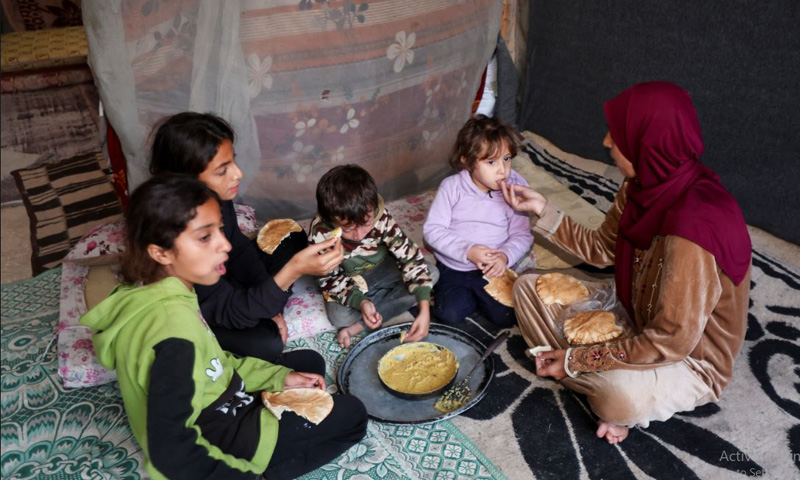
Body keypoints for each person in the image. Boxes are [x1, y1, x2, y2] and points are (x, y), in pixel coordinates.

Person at [500, 81, 752, 444]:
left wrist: (576, 361)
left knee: (615, 398)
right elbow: (602, 248)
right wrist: (542, 208)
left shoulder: (693, 230)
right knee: (526, 288)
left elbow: (670, 341)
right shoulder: (641, 185)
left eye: (617, 136)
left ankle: (595, 382)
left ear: (646, 145)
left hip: (685, 359)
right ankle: (589, 368)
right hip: (633, 312)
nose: (606, 142)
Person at [80, 175, 367, 480]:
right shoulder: (174, 335)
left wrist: (280, 377)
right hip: (222, 433)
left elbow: (214, 365)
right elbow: (172, 450)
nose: (225, 244)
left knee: (310, 364)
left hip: (217, 397)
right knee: (354, 415)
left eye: (220, 229)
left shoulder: (162, 292)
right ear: (160, 252)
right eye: (205, 237)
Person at [149, 112, 344, 364]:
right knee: (267, 343)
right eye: (223, 170)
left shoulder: (213, 199)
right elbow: (224, 305)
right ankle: (259, 305)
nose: (238, 174)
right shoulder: (180, 234)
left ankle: (261, 301)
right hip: (208, 303)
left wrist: (269, 300)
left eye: (233, 161)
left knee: (291, 237)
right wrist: (292, 272)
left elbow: (237, 248)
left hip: (225, 281)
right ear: (188, 181)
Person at [309, 164, 438, 348]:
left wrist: (424, 310)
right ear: (332, 220)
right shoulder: (320, 234)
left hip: (384, 269)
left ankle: (359, 326)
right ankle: (379, 303)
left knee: (431, 273)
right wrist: (361, 302)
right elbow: (329, 279)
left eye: (366, 224)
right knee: (339, 317)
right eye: (348, 229)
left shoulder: (380, 216)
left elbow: (409, 256)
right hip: (350, 279)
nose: (359, 235)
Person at [423, 116, 533, 327]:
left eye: (507, 159)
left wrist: (505, 256)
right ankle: (469, 297)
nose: (502, 170)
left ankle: (480, 298)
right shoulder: (452, 187)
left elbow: (522, 235)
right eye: (491, 162)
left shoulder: (515, 189)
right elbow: (433, 230)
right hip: (454, 264)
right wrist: (467, 251)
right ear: (468, 161)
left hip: (493, 268)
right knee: (449, 314)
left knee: (507, 317)